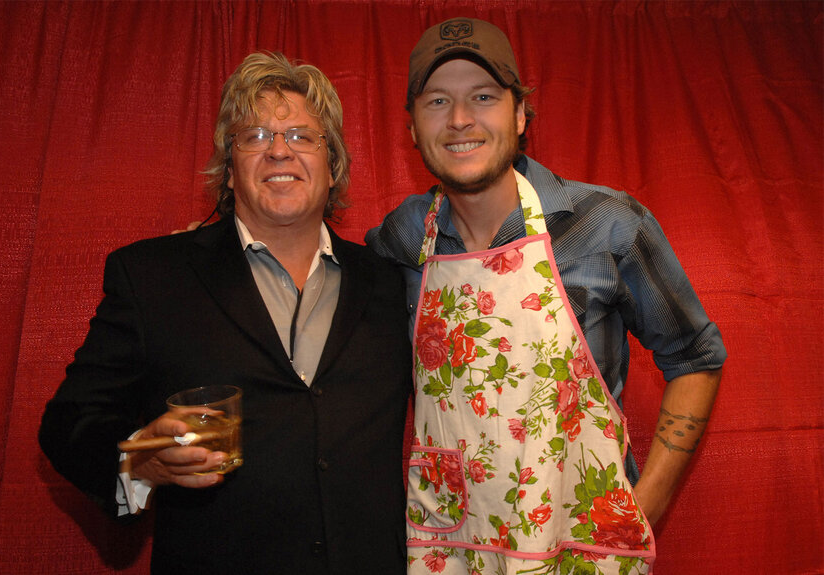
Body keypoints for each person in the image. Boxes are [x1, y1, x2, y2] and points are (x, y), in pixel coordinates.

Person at [365, 17, 726, 574]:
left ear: (519, 113)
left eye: (482, 97)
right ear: (411, 127)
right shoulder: (406, 235)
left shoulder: (606, 224)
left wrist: (641, 507)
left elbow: (697, 357)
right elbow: (330, 276)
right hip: (452, 550)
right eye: (437, 101)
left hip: (581, 549)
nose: (460, 119)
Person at [39, 52, 411, 574]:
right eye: (255, 137)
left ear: (334, 165)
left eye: (302, 136)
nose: (280, 151)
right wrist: (140, 463)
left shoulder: (390, 283)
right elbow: (68, 423)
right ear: (229, 168)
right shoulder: (152, 277)